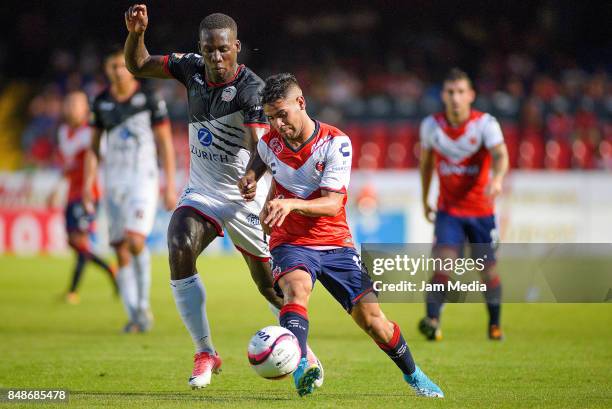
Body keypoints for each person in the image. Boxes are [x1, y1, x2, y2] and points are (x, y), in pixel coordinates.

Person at [123, 4, 322, 389]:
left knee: (270, 287)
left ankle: (303, 354)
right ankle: (205, 351)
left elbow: (261, 145)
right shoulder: (191, 68)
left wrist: (251, 176)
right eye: (209, 49)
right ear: (201, 47)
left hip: (247, 197)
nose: (215, 57)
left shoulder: (252, 89)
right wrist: (136, 34)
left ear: (237, 48)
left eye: (223, 50)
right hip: (203, 192)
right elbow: (138, 65)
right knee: (178, 245)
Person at [238, 73, 444, 398]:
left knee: (375, 322)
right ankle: (302, 364)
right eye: (271, 117)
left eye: (283, 114)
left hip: (335, 244)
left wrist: (289, 203)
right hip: (291, 242)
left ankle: (414, 374)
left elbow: (333, 204)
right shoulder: (269, 143)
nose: (277, 124)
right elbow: (261, 157)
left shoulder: (335, 142)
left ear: (301, 103)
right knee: (296, 289)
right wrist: (250, 177)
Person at [83, 46, 177, 333]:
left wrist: (169, 184)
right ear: (106, 70)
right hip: (113, 182)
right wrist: (89, 185)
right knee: (120, 249)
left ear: (129, 67)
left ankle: (144, 304)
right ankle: (135, 313)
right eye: (112, 67)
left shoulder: (148, 98)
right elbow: (94, 149)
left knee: (136, 241)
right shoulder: (100, 102)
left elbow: (164, 143)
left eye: (121, 66)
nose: (117, 71)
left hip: (143, 178)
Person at [418, 68, 509, 341]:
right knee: (442, 265)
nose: (455, 98)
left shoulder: (485, 124)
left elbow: (501, 155)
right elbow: (426, 165)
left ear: (471, 95)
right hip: (449, 212)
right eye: (450, 92)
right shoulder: (431, 126)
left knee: (488, 270)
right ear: (443, 95)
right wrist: (424, 199)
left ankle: (494, 326)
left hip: (481, 212)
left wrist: (498, 178)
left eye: (460, 92)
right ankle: (432, 321)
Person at [48, 91, 117, 304]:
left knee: (79, 240)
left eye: (75, 104)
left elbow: (101, 158)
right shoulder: (63, 132)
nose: (70, 108)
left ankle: (74, 291)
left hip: (88, 194)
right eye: (68, 103)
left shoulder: (92, 132)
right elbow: (69, 166)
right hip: (71, 194)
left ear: (85, 108)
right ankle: (107, 271)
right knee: (74, 242)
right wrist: (56, 188)